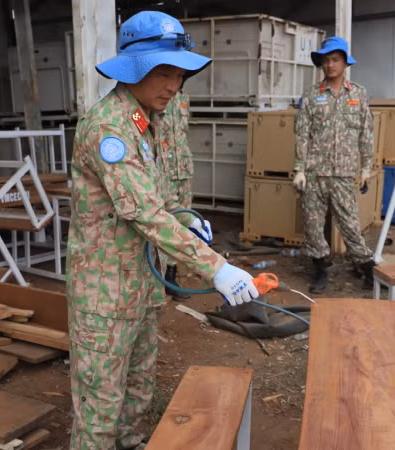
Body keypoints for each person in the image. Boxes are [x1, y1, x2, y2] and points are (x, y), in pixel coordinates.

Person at [65, 11, 260, 450]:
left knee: (136, 397)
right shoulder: (109, 128)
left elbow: (159, 200)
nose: (174, 85)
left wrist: (186, 217)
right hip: (105, 298)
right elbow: (145, 214)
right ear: (135, 69)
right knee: (99, 412)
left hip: (139, 289)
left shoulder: (146, 123)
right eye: (164, 73)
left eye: (179, 74)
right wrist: (217, 269)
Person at [292, 36, 376, 294]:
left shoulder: (359, 94)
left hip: (343, 173)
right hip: (315, 173)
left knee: (350, 223)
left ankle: (367, 267)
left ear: (344, 63)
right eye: (326, 60)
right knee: (313, 224)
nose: (330, 65)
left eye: (335, 60)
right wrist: (299, 169)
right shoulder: (311, 96)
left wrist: (366, 167)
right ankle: (320, 269)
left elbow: (367, 132)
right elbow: (302, 134)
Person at [158, 88, 194, 300]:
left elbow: (183, 133)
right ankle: (162, 276)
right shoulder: (155, 96)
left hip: (183, 169)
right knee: (164, 223)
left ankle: (172, 273)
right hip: (163, 170)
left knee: (182, 224)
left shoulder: (183, 97)